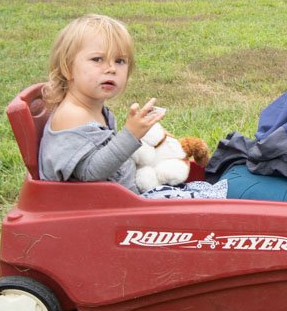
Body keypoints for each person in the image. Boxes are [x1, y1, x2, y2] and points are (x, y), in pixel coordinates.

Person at [39, 13, 227, 199]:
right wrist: (130, 135)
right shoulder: (72, 115)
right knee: (211, 202)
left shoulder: (93, 109)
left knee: (208, 191)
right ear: (67, 67)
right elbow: (91, 172)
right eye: (97, 59)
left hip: (126, 199)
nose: (111, 68)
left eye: (119, 61)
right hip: (100, 209)